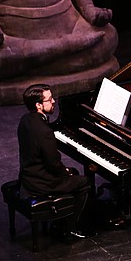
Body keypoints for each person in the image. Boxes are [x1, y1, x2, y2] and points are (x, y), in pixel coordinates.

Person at [18, 83, 94, 239]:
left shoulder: (25, 120)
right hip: (42, 183)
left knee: (74, 173)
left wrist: (66, 171)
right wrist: (64, 171)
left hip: (29, 176)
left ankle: (62, 218)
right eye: (49, 99)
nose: (53, 102)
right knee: (84, 182)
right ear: (39, 105)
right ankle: (71, 227)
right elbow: (53, 163)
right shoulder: (44, 131)